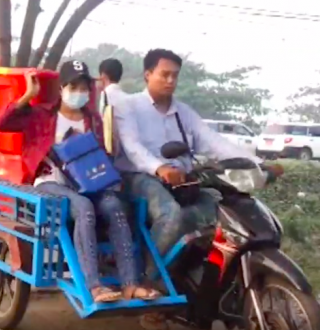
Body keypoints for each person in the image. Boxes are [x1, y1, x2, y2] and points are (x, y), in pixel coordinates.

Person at [113, 49, 280, 328]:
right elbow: (132, 148)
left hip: (185, 179)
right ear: (148, 74)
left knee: (223, 216)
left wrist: (259, 163)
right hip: (140, 176)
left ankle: (205, 283)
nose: (170, 81)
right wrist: (160, 168)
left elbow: (214, 142)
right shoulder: (128, 107)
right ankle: (150, 281)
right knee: (172, 215)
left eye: (175, 75)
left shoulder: (183, 112)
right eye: (164, 74)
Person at [0, 60, 159, 303]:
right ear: (61, 89)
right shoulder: (41, 115)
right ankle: (94, 286)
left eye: (84, 88)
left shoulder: (93, 120)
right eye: (74, 87)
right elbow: (1, 123)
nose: (79, 93)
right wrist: (27, 95)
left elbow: (102, 152)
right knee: (83, 207)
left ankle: (130, 284)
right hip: (51, 182)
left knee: (114, 207)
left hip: (89, 184)